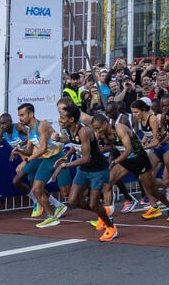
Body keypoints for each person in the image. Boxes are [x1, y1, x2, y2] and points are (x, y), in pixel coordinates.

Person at [91, 112, 169, 224]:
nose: (97, 131)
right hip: (125, 161)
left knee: (151, 190)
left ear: (105, 123)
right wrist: (101, 148)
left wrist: (114, 161)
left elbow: (128, 149)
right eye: (95, 129)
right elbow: (108, 145)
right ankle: (106, 218)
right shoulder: (101, 133)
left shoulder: (119, 128)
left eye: (98, 128)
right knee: (107, 183)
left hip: (139, 159)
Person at [51, 103, 116, 241]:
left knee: (93, 203)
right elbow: (75, 143)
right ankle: (103, 213)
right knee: (73, 200)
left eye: (62, 117)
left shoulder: (84, 131)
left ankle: (111, 227)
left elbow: (86, 158)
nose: (59, 120)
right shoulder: (69, 130)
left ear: (72, 119)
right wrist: (66, 154)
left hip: (98, 169)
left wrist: (64, 165)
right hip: (85, 169)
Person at [16, 103, 68, 228]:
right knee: (36, 189)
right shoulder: (29, 130)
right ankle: (51, 217)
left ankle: (97, 197)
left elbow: (43, 148)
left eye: (22, 115)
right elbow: (29, 150)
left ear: (31, 114)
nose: (20, 118)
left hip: (58, 159)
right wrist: (19, 150)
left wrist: (27, 161)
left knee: (67, 194)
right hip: (47, 161)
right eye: (19, 116)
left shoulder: (42, 124)